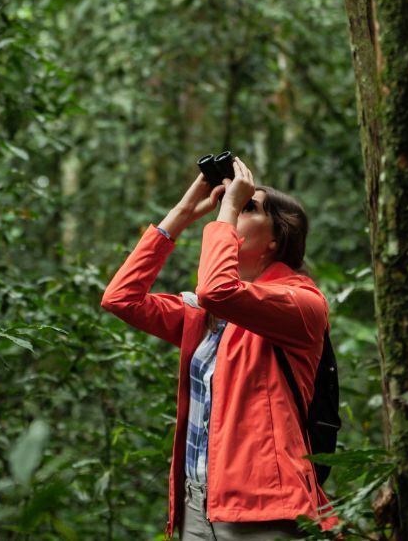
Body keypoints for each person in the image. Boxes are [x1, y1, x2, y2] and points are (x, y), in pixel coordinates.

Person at [100, 157, 337, 541]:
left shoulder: (301, 303)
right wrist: (182, 213)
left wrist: (226, 209)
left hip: (262, 506)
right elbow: (121, 299)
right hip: (198, 505)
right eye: (234, 205)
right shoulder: (208, 315)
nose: (234, 208)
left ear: (276, 239)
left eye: (248, 207)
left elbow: (216, 290)